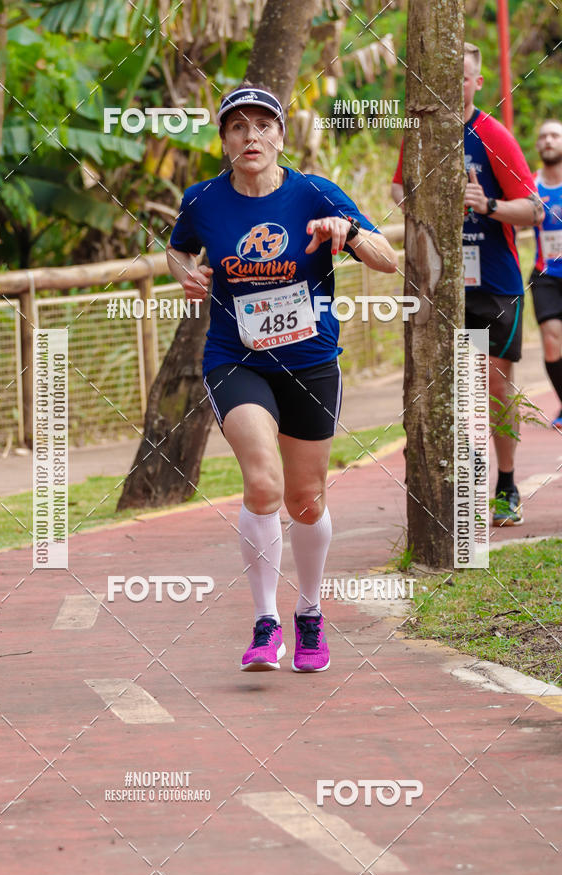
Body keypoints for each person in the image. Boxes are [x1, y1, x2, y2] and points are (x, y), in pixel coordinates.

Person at [167, 82, 397, 672]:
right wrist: (185, 272)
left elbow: (386, 257)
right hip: (236, 359)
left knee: (305, 498)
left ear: (280, 136)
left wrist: (348, 234)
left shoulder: (315, 193)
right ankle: (265, 623)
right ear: (224, 141)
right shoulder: (203, 201)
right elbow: (178, 248)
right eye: (239, 127)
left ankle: (311, 614)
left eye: (263, 126)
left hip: (311, 363)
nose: (252, 137)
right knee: (263, 484)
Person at [391, 42, 544, 526]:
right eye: (443, 75)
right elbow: (397, 187)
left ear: (476, 83)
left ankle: (505, 484)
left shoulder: (492, 135)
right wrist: (419, 199)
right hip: (438, 281)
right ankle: (453, 491)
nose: (451, 84)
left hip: (494, 282)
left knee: (494, 387)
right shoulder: (419, 132)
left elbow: (535, 209)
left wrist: (487, 206)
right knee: (450, 387)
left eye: (462, 76)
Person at [530, 119, 562, 430]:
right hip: (546, 273)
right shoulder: (530, 185)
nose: (549, 141)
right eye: (544, 136)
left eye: (555, 135)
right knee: (552, 342)